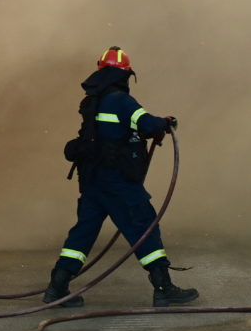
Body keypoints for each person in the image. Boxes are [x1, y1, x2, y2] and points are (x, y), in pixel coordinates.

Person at [44, 46, 199, 308]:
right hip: (117, 182)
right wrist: (165, 122)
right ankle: (163, 288)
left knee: (83, 233)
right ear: (124, 75)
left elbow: (111, 134)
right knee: (144, 224)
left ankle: (57, 287)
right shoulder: (121, 100)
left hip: (92, 180)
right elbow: (147, 124)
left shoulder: (93, 101)